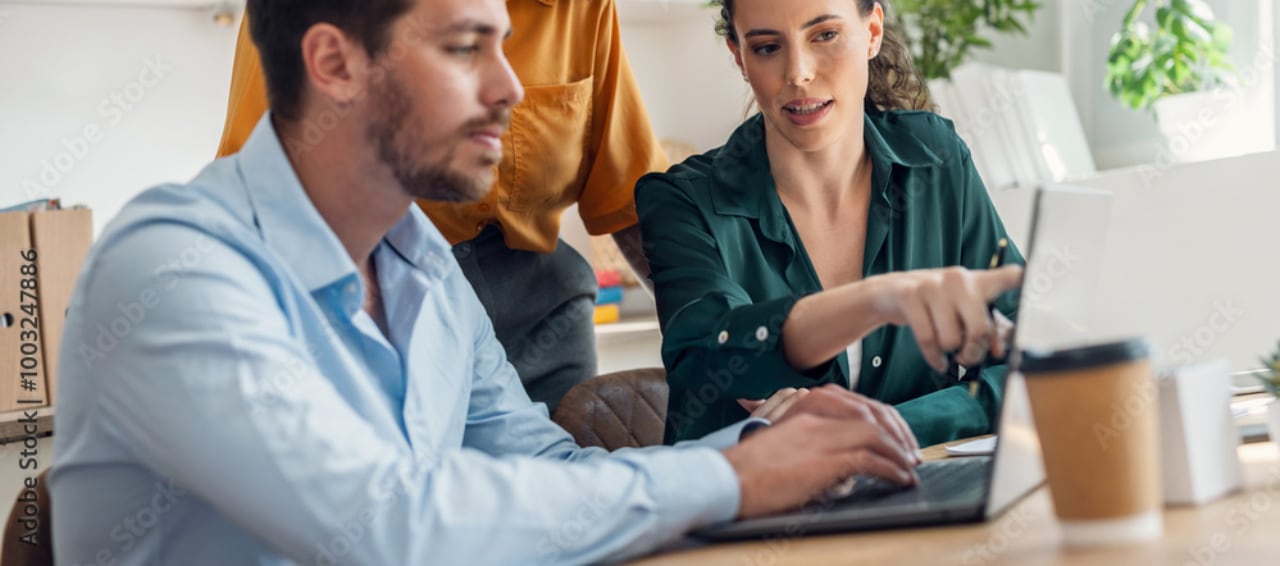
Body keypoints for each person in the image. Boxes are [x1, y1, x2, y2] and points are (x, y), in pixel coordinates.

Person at [50, 1, 927, 563]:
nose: (513, 88)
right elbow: (392, 526)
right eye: (469, 49)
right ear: (335, 64)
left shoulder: (422, 265)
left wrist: (764, 445)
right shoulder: (174, 267)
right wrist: (737, 478)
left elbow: (544, 468)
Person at [214, 0, 667, 412]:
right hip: (372, 293)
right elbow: (268, 195)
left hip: (536, 303)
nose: (510, 90)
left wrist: (709, 345)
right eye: (462, 50)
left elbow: (632, 198)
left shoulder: (583, 8)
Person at [637, 0, 1025, 446]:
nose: (798, 73)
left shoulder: (936, 159)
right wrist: (880, 299)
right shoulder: (681, 201)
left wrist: (874, 428)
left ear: (872, 31)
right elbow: (709, 360)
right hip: (754, 509)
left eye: (824, 35)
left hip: (927, 495)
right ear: (739, 56)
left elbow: (1024, 357)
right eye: (766, 47)